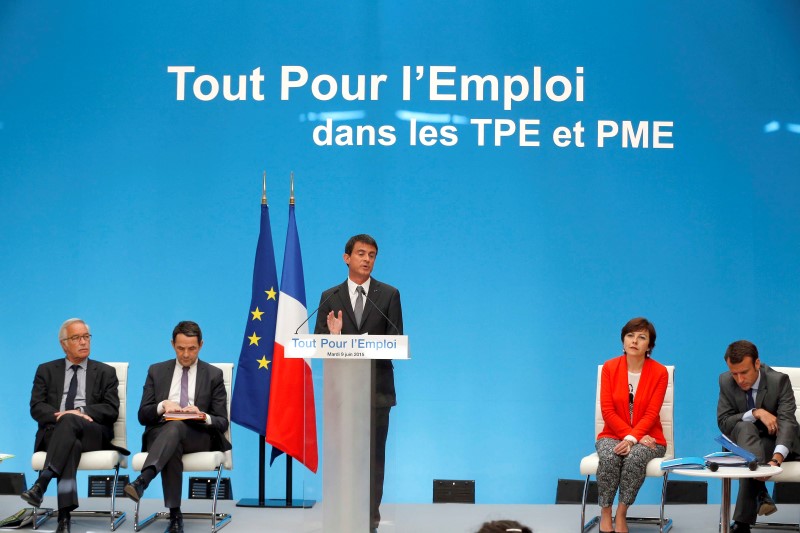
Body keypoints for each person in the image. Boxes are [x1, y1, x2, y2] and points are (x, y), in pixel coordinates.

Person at [314, 234, 403, 532]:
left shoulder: (389, 295)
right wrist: (335, 337)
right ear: (346, 258)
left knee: (374, 460)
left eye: (372, 255)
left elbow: (396, 341)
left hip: (377, 391)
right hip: (342, 393)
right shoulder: (330, 296)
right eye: (361, 253)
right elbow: (316, 343)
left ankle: (369, 521)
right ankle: (342, 516)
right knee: (342, 459)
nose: (367, 259)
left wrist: (366, 345)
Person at [124, 321, 230, 533]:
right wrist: (163, 406)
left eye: (192, 348)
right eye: (181, 348)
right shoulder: (156, 371)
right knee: (172, 435)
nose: (186, 354)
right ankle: (175, 516)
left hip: (197, 435)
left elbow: (222, 421)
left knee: (177, 429)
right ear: (173, 344)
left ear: (201, 345)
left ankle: (143, 482)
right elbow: (143, 416)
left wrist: (202, 415)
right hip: (162, 434)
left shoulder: (213, 375)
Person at [22, 318, 127, 533]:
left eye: (86, 337)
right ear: (64, 344)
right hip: (56, 433)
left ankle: (43, 482)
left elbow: (111, 409)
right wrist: (61, 416)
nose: (83, 342)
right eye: (76, 338)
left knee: (72, 420)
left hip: (93, 433)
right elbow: (36, 407)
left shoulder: (106, 372)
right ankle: (64, 517)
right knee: (72, 444)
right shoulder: (46, 370)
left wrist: (80, 412)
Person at [717, 340, 800, 533]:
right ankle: (761, 493)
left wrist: (776, 460)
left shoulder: (779, 381)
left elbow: (788, 423)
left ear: (757, 364)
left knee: (751, 449)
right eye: (734, 373)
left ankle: (742, 525)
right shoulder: (725, 381)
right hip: (744, 442)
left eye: (744, 372)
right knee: (745, 428)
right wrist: (755, 412)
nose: (739, 379)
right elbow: (724, 422)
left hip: (778, 442)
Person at [595, 317, 668, 533]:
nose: (634, 341)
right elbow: (607, 411)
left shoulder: (660, 372)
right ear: (623, 341)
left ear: (649, 346)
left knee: (635, 456)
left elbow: (651, 413)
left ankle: (622, 513)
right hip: (612, 434)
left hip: (650, 437)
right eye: (630, 335)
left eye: (641, 337)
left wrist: (632, 439)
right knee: (610, 456)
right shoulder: (610, 367)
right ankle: (606, 512)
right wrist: (630, 436)